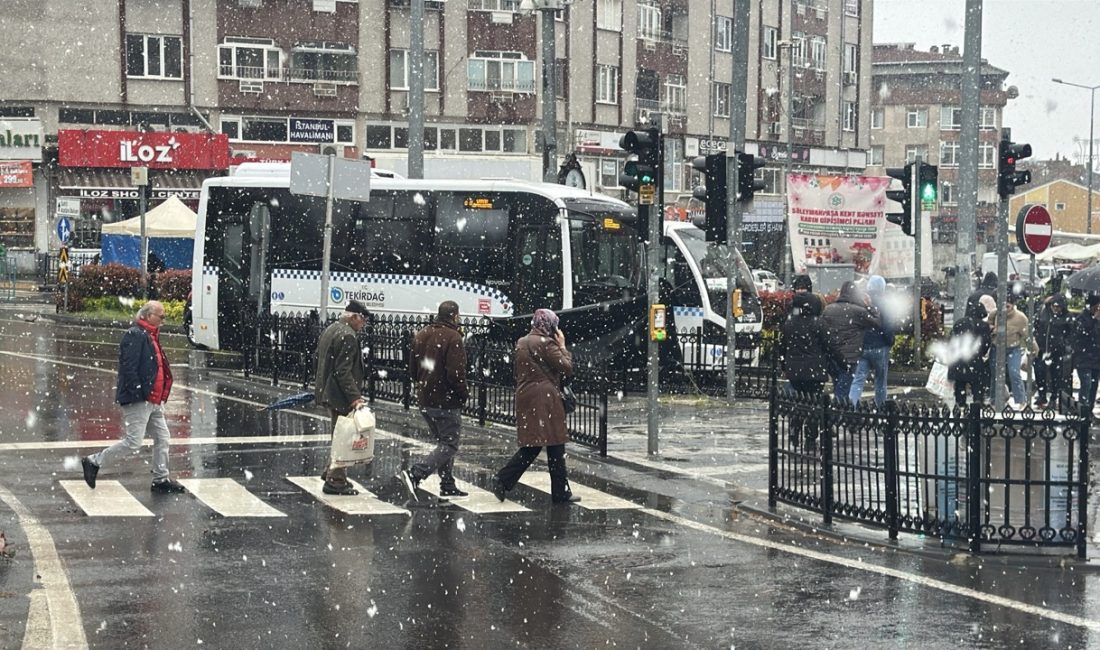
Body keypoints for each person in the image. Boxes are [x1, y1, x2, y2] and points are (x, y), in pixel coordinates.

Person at [80, 300, 185, 493]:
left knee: (163, 437)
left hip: (153, 399)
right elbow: (128, 367)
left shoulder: (151, 335)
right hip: (141, 399)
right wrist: (139, 393)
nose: (163, 319)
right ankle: (93, 461)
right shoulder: (135, 335)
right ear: (146, 315)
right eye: (160, 316)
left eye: (163, 316)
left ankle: (161, 479)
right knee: (133, 442)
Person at [491, 309, 579, 505]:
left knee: (538, 444)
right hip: (545, 399)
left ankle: (507, 480)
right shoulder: (546, 343)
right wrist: (563, 346)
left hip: (527, 395)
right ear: (549, 325)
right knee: (551, 444)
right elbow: (566, 367)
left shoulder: (522, 342)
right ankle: (504, 479)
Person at [397, 301, 470, 502]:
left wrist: (424, 382)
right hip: (445, 400)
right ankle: (416, 474)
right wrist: (463, 394)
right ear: (455, 316)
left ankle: (447, 484)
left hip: (425, 398)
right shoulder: (453, 337)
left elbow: (412, 369)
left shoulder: (422, 334)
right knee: (449, 444)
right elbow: (456, 374)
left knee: (444, 442)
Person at [314, 300, 369, 495]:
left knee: (338, 434)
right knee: (343, 438)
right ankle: (335, 480)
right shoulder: (348, 335)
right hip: (338, 394)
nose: (362, 325)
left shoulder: (332, 329)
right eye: (362, 321)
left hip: (328, 390)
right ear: (354, 317)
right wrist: (355, 397)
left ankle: (330, 470)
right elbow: (343, 371)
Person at [821, 281, 880, 403]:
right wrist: (869, 305)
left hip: (832, 356)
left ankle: (839, 413)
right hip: (850, 357)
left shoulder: (828, 309)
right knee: (843, 390)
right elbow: (877, 323)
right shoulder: (858, 311)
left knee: (839, 385)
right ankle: (839, 415)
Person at [848, 275, 895, 406]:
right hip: (880, 346)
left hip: (863, 346)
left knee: (858, 379)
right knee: (880, 380)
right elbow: (888, 325)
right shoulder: (886, 304)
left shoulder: (861, 301)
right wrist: (889, 340)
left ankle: (852, 405)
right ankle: (880, 408)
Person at [994, 294, 1038, 409]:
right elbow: (988, 324)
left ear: (1013, 305)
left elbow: (1028, 335)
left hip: (1013, 348)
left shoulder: (1020, 318)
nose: (1004, 309)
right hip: (997, 347)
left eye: (1007, 306)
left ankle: (1021, 400)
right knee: (995, 374)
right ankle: (996, 399)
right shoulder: (995, 314)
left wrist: (1034, 348)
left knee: (1014, 373)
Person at [948, 297, 993, 406]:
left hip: (959, 359)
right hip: (975, 360)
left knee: (959, 385)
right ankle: (977, 406)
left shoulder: (959, 323)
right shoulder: (983, 326)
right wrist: (980, 353)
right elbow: (985, 343)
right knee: (977, 385)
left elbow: (951, 342)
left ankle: (960, 407)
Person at [1033, 295, 1072, 409]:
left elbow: (1070, 333)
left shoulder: (1066, 317)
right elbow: (1037, 325)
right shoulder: (1043, 313)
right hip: (1041, 348)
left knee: (1056, 375)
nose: (1055, 309)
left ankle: (1054, 397)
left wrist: (1064, 343)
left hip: (1057, 350)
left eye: (1058, 307)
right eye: (1053, 306)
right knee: (1039, 372)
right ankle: (1042, 395)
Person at [1073, 294, 1100, 415]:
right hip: (1084, 357)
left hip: (1096, 358)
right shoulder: (1082, 318)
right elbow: (1082, 335)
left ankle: (1089, 409)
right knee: (1086, 384)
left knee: (1094, 385)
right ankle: (1083, 410)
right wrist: (1094, 319)